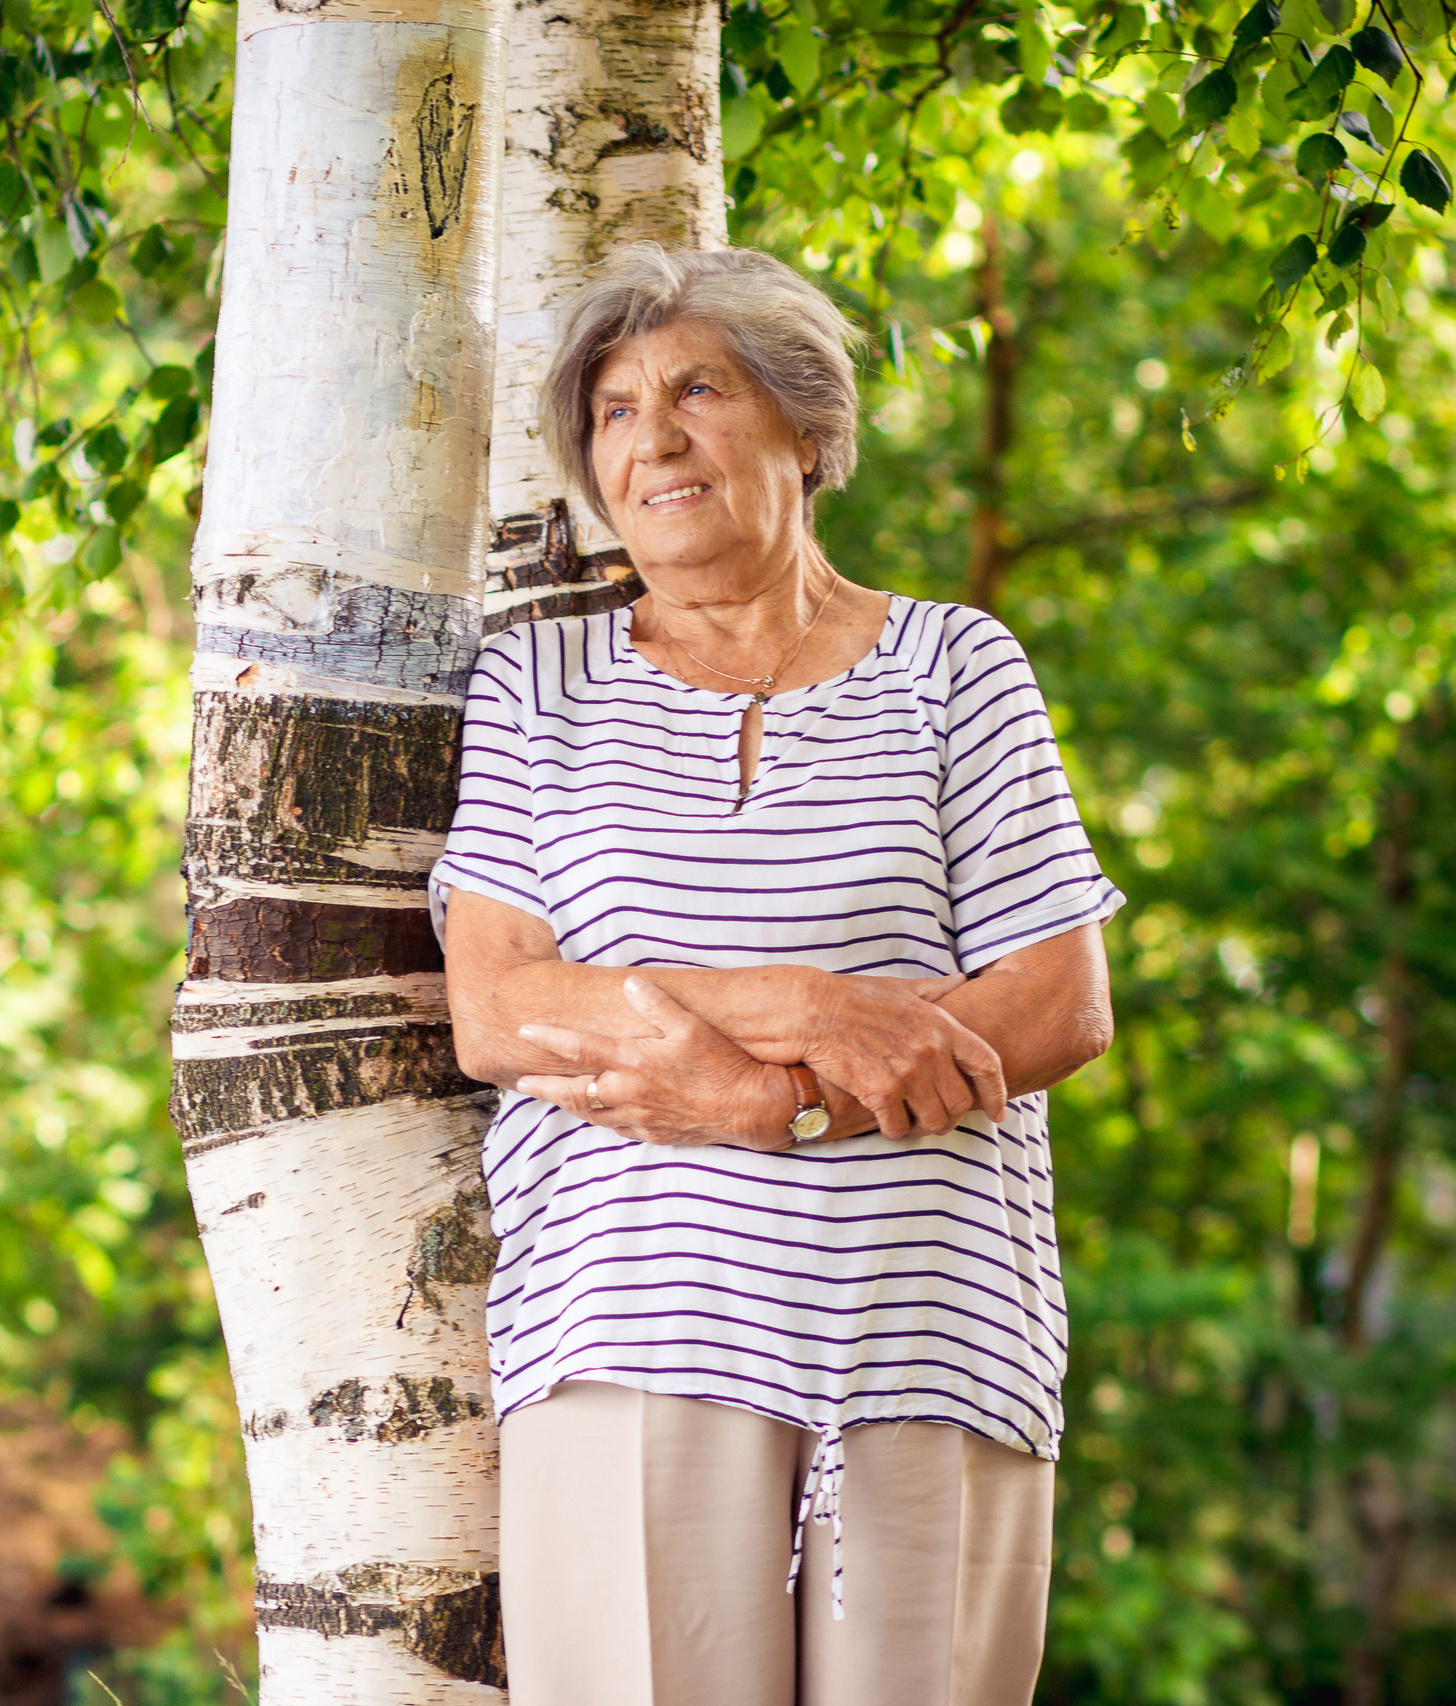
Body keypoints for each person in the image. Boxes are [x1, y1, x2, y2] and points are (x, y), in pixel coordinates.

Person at [433, 243, 1122, 1706]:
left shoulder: (956, 667)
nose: (653, 439)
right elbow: (499, 1008)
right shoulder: (539, 687)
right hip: (630, 1334)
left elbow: (1057, 1002)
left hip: (930, 1337)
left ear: (807, 431)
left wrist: (778, 1107)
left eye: (699, 391)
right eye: (615, 411)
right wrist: (813, 1005)